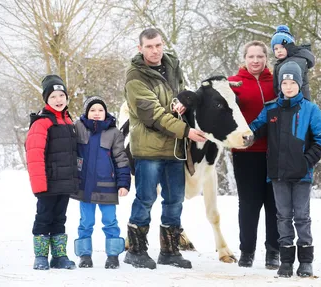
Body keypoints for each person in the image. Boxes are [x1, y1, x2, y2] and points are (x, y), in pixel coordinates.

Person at [123, 28, 206, 270]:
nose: (155, 50)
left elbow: (178, 96)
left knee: (174, 200)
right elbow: (154, 115)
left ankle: (170, 251)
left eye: (158, 45)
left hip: (175, 149)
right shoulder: (135, 77)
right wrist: (187, 132)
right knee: (146, 198)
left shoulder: (172, 65)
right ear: (140, 48)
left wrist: (184, 100)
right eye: (149, 46)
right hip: (149, 149)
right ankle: (136, 250)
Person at [249, 61, 321, 278]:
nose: (289, 86)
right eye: (285, 82)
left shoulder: (311, 109)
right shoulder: (271, 109)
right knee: (283, 216)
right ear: (280, 85)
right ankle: (285, 262)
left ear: (299, 84)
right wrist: (243, 133)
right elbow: (255, 128)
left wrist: (306, 162)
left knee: (302, 216)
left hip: (302, 174)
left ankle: (305, 261)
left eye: (293, 82)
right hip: (278, 174)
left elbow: (320, 139)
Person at [228, 41, 280, 269]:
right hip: (245, 153)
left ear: (266, 59)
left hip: (275, 152)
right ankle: (246, 251)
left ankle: (273, 252)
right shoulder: (234, 83)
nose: (256, 60)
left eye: (260, 56)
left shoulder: (277, 82)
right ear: (244, 58)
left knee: (274, 204)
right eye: (251, 56)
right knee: (249, 204)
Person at [71, 96, 131, 269]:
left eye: (100, 110)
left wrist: (123, 183)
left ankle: (113, 255)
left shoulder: (114, 133)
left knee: (110, 221)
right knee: (86, 222)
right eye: (92, 110)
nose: (96, 113)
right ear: (86, 112)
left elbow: (121, 159)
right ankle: (84, 255)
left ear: (106, 113)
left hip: (107, 187)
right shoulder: (79, 128)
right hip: (85, 188)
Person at [26, 74, 77, 270]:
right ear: (47, 99)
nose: (58, 100)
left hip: (64, 182)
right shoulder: (42, 122)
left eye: (61, 95)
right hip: (47, 182)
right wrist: (39, 185)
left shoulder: (68, 121)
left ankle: (59, 256)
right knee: (44, 217)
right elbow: (34, 154)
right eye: (53, 96)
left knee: (60, 218)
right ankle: (40, 256)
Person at [271, 25, 315, 100]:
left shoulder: (295, 61)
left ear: (290, 46)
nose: (279, 50)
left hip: (297, 102)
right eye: (276, 48)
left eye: (282, 47)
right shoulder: (282, 62)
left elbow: (292, 86)